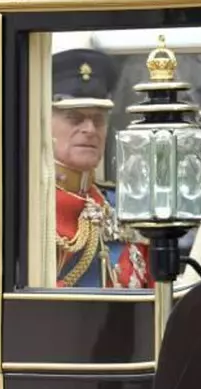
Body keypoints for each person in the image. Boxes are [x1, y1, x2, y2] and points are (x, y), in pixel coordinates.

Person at [49, 48, 152, 288]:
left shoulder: (125, 206)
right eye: (75, 118)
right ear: (41, 122)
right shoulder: (15, 208)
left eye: (98, 119)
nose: (90, 129)